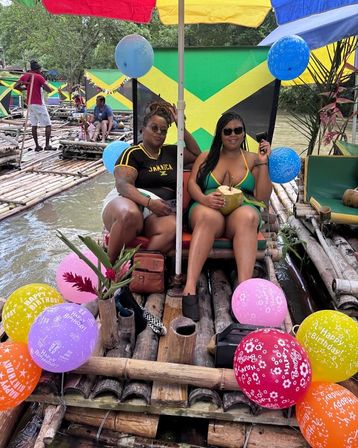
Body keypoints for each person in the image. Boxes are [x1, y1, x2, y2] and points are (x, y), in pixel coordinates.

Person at [182, 111, 272, 321]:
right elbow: (192, 184)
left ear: (244, 133)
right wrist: (204, 200)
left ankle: (244, 288)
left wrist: (263, 162)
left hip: (237, 214)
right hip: (207, 208)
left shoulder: (252, 159)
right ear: (220, 134)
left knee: (249, 216)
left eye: (238, 130)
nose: (233, 135)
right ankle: (190, 286)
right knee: (208, 218)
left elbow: (262, 197)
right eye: (228, 131)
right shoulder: (207, 156)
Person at [102, 102, 201, 264]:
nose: (159, 133)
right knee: (129, 214)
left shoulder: (172, 152)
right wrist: (149, 203)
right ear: (143, 129)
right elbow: (123, 185)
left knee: (171, 227)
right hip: (131, 202)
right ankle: (110, 270)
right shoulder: (133, 153)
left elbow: (198, 155)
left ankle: (141, 269)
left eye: (163, 130)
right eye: (154, 128)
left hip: (159, 211)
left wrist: (180, 126)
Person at [14, 60, 55, 151]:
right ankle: (47, 145)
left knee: (34, 124)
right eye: (40, 69)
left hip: (30, 103)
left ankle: (37, 145)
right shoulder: (39, 77)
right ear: (37, 69)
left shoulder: (26, 76)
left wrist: (25, 87)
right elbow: (49, 90)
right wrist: (47, 87)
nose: (41, 71)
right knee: (48, 124)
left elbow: (15, 86)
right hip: (38, 103)